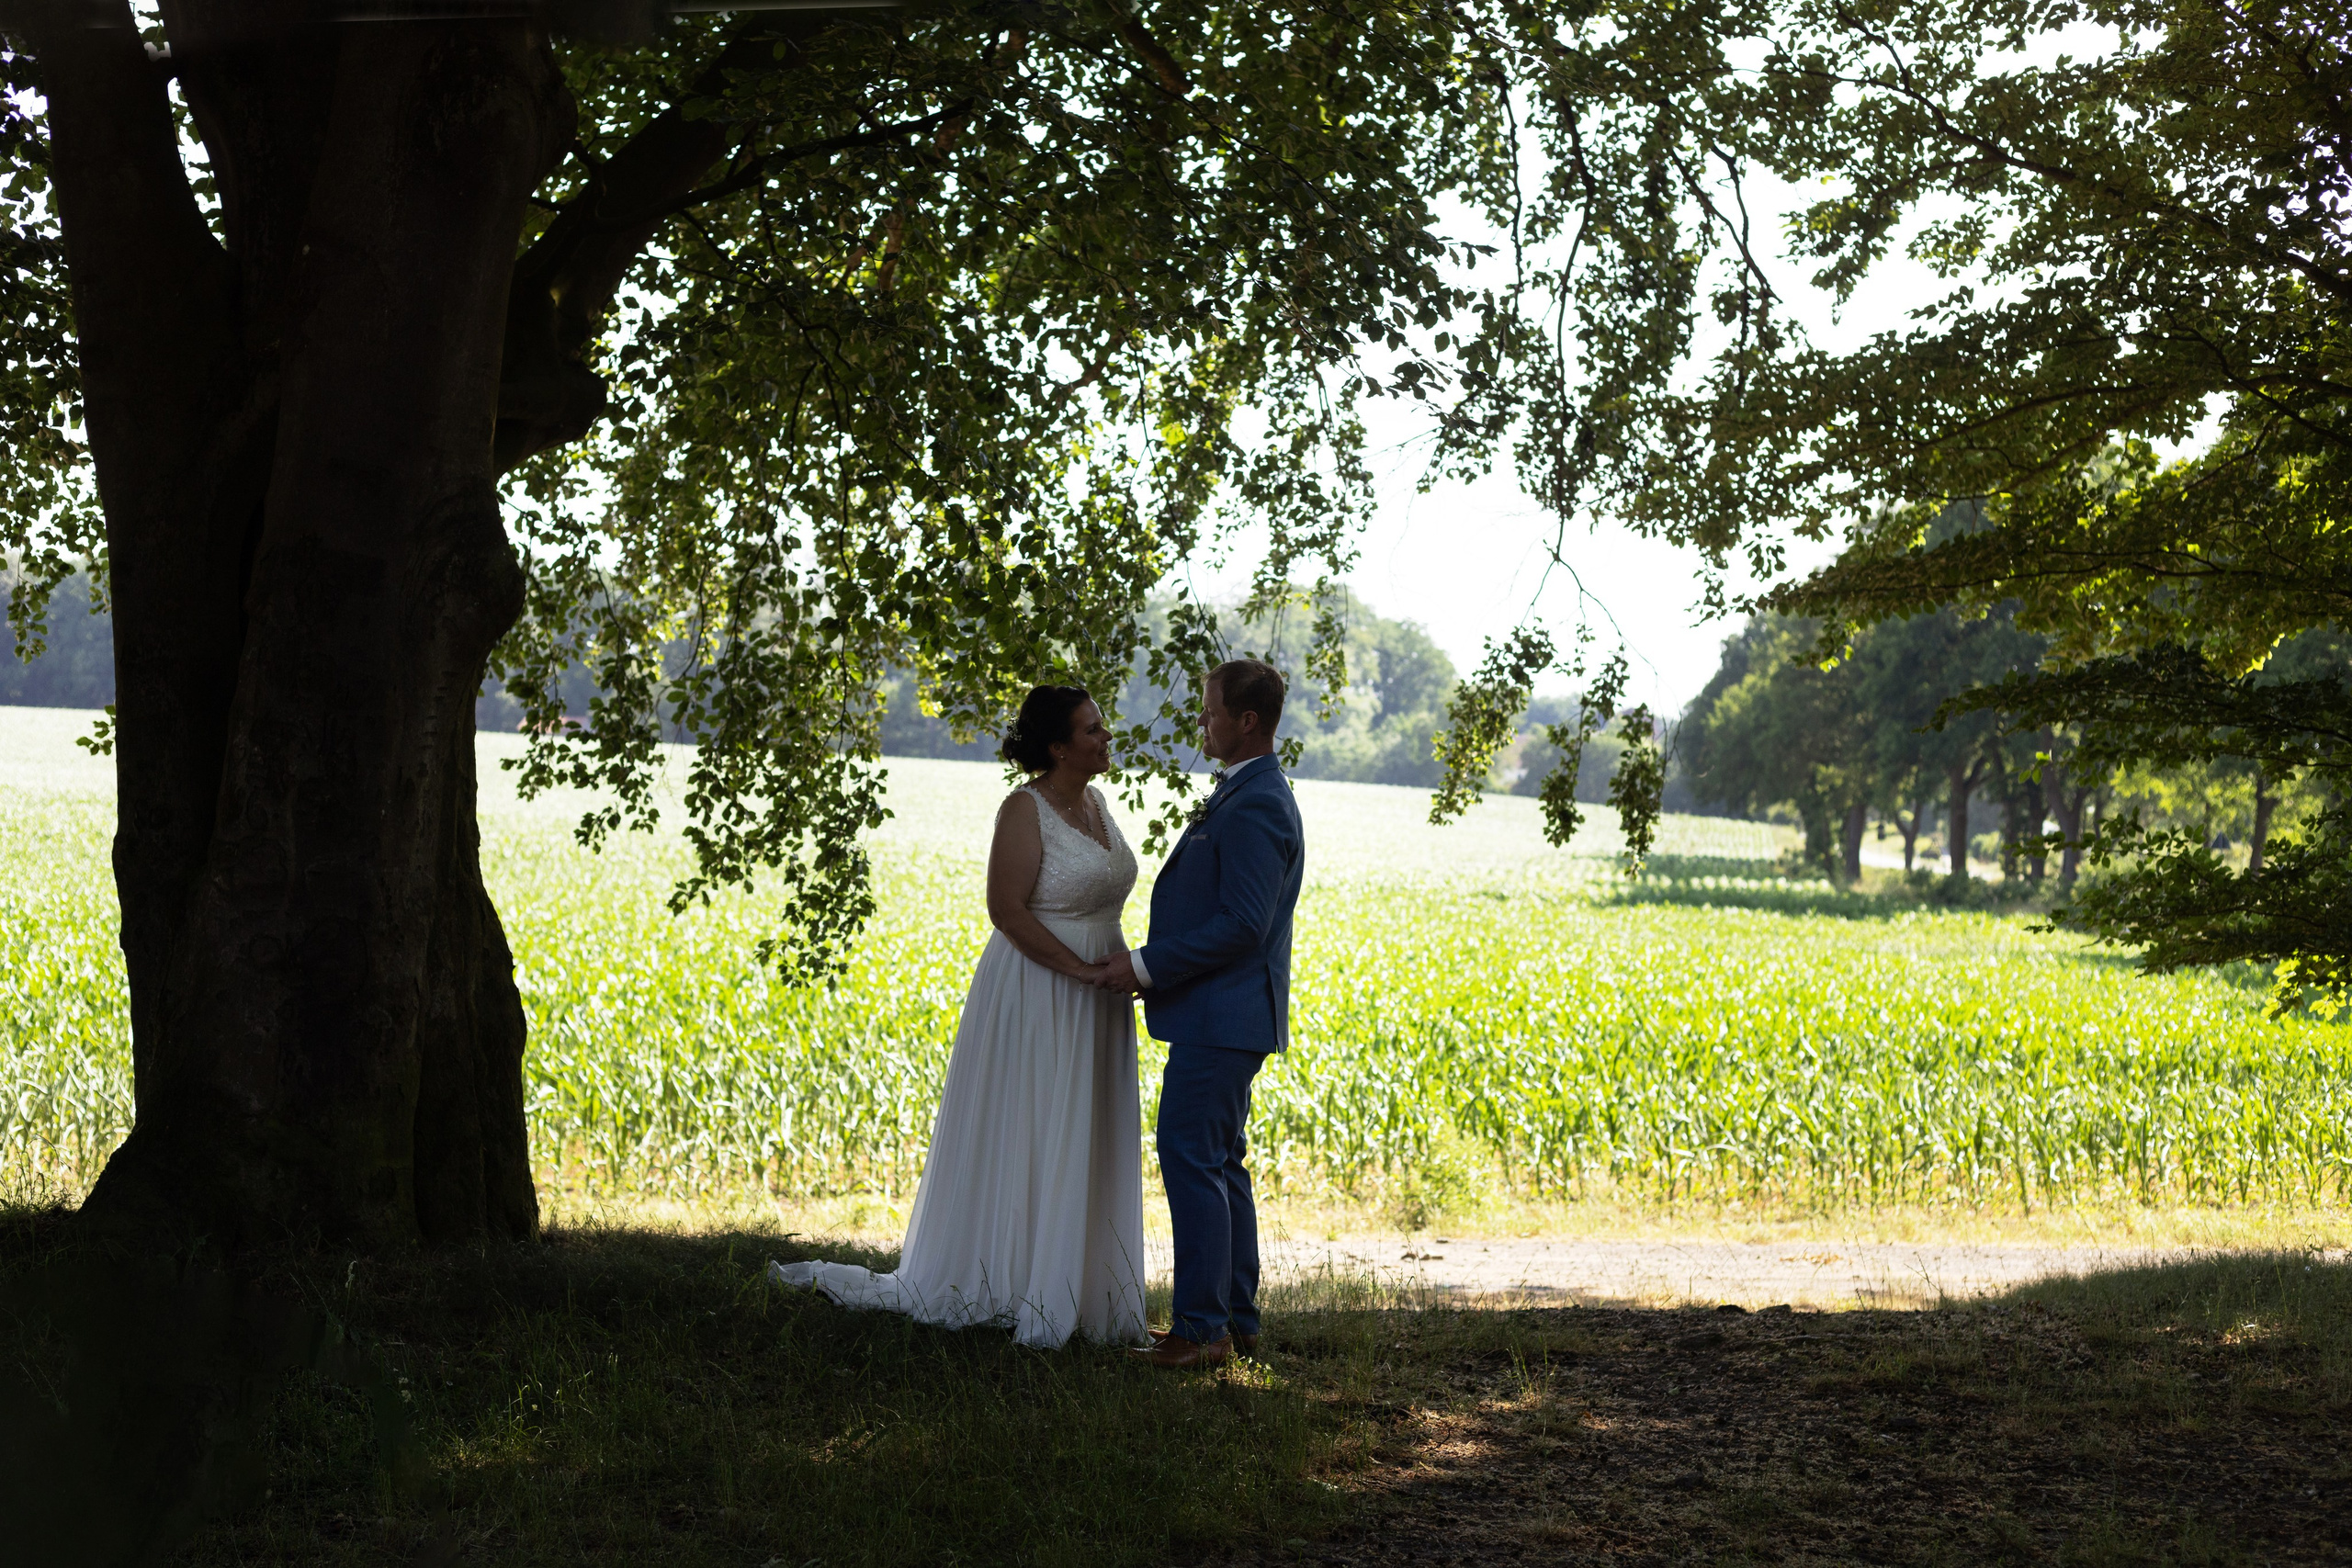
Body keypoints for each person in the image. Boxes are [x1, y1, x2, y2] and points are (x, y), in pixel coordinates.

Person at [768, 684, 1148, 1348]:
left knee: (1083, 1128)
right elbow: (1007, 911)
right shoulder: (1023, 809)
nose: (1105, 737)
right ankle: (1013, 1278)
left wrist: (1114, 967)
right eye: (1092, 730)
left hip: (1100, 991)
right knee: (1032, 1124)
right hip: (1040, 988)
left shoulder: (1097, 803)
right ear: (1058, 746)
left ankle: (1084, 1288)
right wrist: (1081, 970)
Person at [1098, 659, 1303, 1369]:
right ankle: (1236, 1321)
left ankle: (1201, 1329)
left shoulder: (1258, 803)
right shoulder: (1245, 792)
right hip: (1226, 1015)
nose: (1202, 722)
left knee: (1189, 1155)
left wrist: (1147, 964)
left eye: (1211, 711)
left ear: (1247, 721)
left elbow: (1244, 924)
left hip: (1225, 1017)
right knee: (1220, 1162)